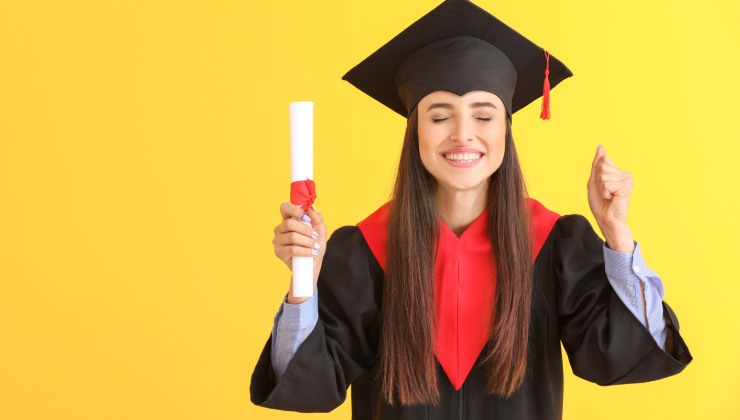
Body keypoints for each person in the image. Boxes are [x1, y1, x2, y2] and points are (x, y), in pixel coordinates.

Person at [251, 1, 692, 419]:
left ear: (506, 129)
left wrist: (617, 235)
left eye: (483, 116)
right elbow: (308, 388)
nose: (463, 135)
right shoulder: (363, 251)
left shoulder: (555, 245)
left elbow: (622, 355)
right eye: (440, 116)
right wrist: (303, 280)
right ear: (415, 132)